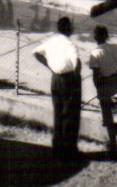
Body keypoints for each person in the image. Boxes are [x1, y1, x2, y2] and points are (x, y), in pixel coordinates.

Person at [33, 16, 83, 160]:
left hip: (55, 79)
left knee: (58, 113)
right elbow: (76, 64)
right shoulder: (70, 44)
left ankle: (57, 147)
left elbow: (36, 52)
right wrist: (75, 77)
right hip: (69, 79)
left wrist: (50, 66)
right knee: (70, 115)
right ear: (68, 28)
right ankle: (69, 150)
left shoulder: (52, 41)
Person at [86, 25, 117, 155]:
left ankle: (113, 143)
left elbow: (95, 76)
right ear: (106, 36)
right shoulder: (115, 47)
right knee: (106, 109)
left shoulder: (94, 53)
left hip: (104, 84)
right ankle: (114, 127)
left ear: (95, 37)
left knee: (106, 113)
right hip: (116, 82)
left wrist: (99, 92)